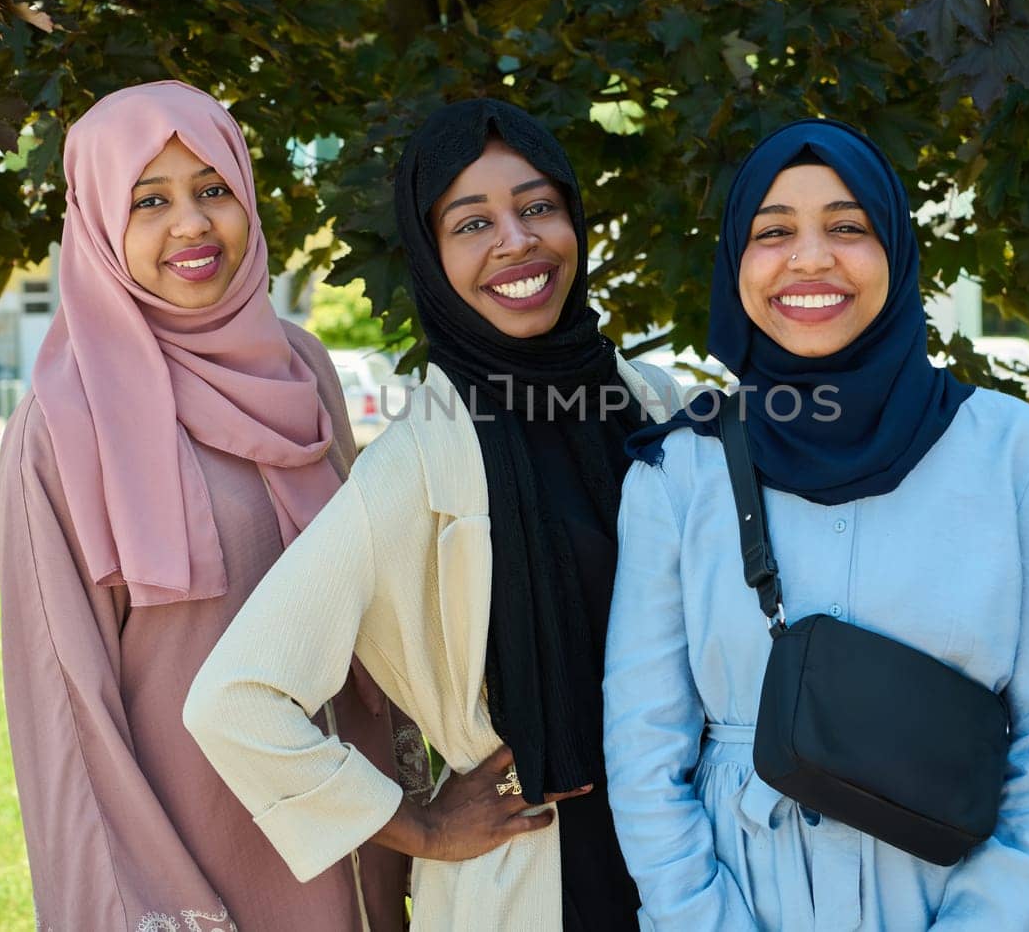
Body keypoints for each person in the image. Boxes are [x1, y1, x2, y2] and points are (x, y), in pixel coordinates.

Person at [185, 99, 677, 932]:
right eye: (471, 221)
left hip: (684, 861)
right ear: (431, 254)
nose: (515, 240)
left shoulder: (647, 403)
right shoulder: (418, 462)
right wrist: (419, 826)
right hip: (538, 873)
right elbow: (234, 697)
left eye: (537, 207)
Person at [602, 118, 1029, 931]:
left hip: (968, 900)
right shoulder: (679, 473)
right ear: (735, 261)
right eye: (773, 231)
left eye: (846, 226)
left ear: (895, 249)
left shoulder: (1021, 458)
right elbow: (644, 749)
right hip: (744, 903)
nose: (809, 258)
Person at [0, 81, 413, 931]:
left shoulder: (301, 367)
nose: (190, 223)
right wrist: (153, 902)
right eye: (149, 200)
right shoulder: (61, 421)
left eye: (213, 188)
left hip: (364, 834)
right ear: (100, 223)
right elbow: (69, 703)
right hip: (207, 857)